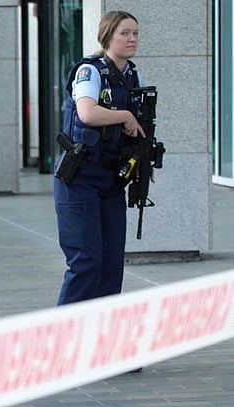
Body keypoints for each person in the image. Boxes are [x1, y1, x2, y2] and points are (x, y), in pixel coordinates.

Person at [54, 10, 147, 307]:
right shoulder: (90, 72)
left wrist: (143, 161)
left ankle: (103, 344)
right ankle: (63, 342)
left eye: (135, 33)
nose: (132, 39)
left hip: (110, 182)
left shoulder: (132, 75)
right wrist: (125, 116)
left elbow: (142, 127)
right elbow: (87, 113)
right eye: (124, 33)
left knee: (110, 269)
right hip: (79, 178)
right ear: (107, 36)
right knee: (86, 264)